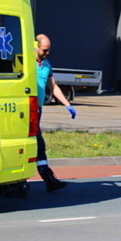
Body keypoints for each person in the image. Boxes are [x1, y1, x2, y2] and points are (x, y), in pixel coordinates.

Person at [35, 33, 75, 192]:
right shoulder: (26, 62)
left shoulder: (46, 64)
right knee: (37, 142)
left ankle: (47, 179)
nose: (47, 53)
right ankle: (47, 178)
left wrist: (67, 105)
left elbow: (53, 86)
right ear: (35, 46)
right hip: (26, 107)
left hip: (38, 108)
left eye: (49, 50)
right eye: (44, 50)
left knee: (37, 143)